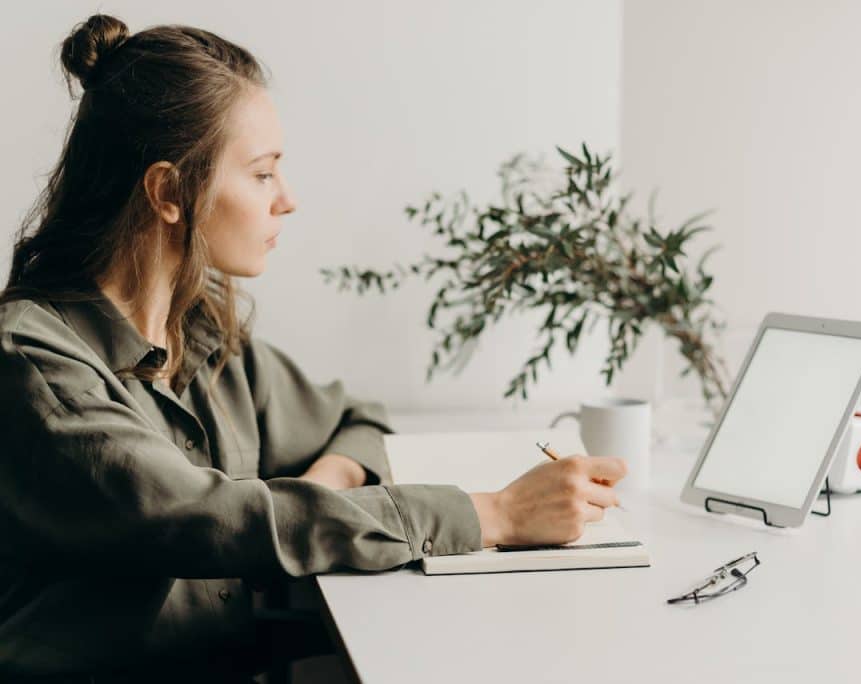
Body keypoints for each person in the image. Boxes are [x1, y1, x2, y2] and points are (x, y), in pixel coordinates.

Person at [0, 14, 627, 683]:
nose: (288, 200)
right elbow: (206, 519)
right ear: (169, 192)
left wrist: (318, 489)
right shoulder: (33, 363)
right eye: (263, 174)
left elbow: (358, 422)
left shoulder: (205, 339)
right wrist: (494, 513)